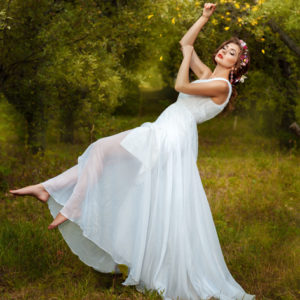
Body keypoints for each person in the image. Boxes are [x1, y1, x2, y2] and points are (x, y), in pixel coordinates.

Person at [10, 3, 255, 300]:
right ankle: (48, 189)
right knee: (105, 158)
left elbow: (180, 84)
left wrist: (187, 57)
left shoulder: (220, 86)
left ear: (237, 64)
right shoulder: (207, 74)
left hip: (171, 136)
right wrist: (203, 18)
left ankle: (68, 202)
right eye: (224, 47)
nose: (224, 52)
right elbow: (185, 42)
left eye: (232, 53)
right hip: (165, 129)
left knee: (102, 150)